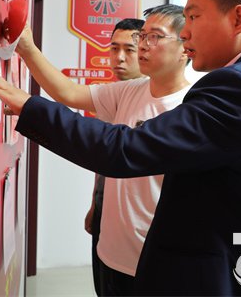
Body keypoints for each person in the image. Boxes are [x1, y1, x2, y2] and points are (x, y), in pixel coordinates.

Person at [0, 0, 241, 296]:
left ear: (237, 19)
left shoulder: (239, 87)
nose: (186, 32)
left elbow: (124, 149)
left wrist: (30, 108)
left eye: (194, 17)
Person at [14, 5, 191, 296]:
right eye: (143, 36)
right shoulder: (130, 90)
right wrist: (27, 49)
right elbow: (69, 93)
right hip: (110, 250)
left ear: (185, 46)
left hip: (153, 260)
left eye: (155, 37)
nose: (143, 45)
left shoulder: (191, 108)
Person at [84, 18, 145, 296]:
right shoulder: (112, 96)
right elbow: (105, 159)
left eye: (129, 50)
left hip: (135, 226)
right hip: (106, 211)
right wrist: (95, 204)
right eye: (113, 48)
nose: (119, 58)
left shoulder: (154, 97)